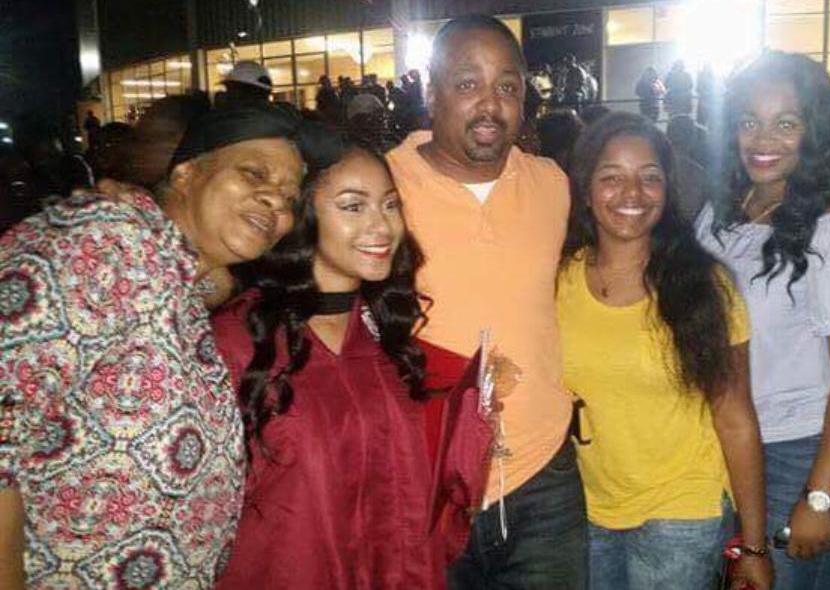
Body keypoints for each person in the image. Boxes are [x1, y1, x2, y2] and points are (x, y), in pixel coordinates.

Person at [0, 103, 306, 589]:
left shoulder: (176, 274)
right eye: (253, 173)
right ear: (185, 172)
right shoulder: (105, 240)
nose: (276, 202)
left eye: (290, 197)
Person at [212, 135, 494, 589]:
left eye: (390, 205)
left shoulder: (385, 339)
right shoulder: (239, 343)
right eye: (353, 206)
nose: (382, 226)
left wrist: (471, 419)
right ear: (303, 215)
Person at [385, 15, 587, 589]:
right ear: (431, 94)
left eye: (507, 86)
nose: (490, 105)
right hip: (426, 475)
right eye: (467, 83)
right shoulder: (382, 187)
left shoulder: (552, 184)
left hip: (543, 473)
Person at [696, 51, 830, 590]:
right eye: (749, 122)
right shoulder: (722, 212)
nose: (763, 139)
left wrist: (820, 496)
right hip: (725, 442)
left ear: (815, 132)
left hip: (801, 455)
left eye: (786, 123)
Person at [558, 112, 772, 590]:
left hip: (681, 509)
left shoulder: (705, 287)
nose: (632, 193)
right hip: (588, 505)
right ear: (586, 190)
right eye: (611, 177)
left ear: (668, 189)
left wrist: (754, 545)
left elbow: (736, 417)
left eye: (649, 177)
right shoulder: (559, 279)